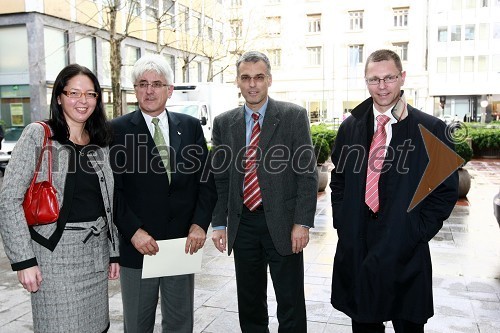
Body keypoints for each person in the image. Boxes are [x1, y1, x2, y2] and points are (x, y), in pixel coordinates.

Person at [329, 49, 458, 332]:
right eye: (374, 79)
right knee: (365, 323)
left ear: (402, 78)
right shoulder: (350, 127)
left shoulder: (431, 127)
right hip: (359, 246)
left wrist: (417, 230)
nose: (382, 86)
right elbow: (338, 179)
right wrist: (343, 221)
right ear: (366, 81)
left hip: (405, 250)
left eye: (389, 78)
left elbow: (446, 190)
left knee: (407, 323)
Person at [0, 64, 120, 333]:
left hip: (95, 255)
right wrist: (24, 261)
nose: (83, 101)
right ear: (59, 97)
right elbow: (8, 200)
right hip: (53, 257)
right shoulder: (38, 135)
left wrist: (113, 252)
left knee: (97, 327)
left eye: (90, 94)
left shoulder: (100, 141)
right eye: (74, 92)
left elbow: (108, 201)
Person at [211, 51, 318, 332]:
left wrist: (302, 222)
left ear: (269, 79)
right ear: (238, 82)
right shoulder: (224, 123)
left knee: (290, 301)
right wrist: (219, 223)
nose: (253, 84)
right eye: (246, 78)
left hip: (284, 224)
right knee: (250, 302)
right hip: (243, 224)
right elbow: (220, 179)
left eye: (259, 77)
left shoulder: (293, 116)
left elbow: (307, 174)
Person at [110, 54, 217, 333]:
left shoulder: (190, 126)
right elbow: (113, 191)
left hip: (182, 244)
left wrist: (199, 224)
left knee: (180, 324)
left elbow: (205, 181)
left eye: (157, 84)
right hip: (139, 246)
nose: (149, 90)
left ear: (169, 89)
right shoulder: (117, 131)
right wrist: (133, 231)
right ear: (134, 89)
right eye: (142, 83)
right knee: (137, 324)